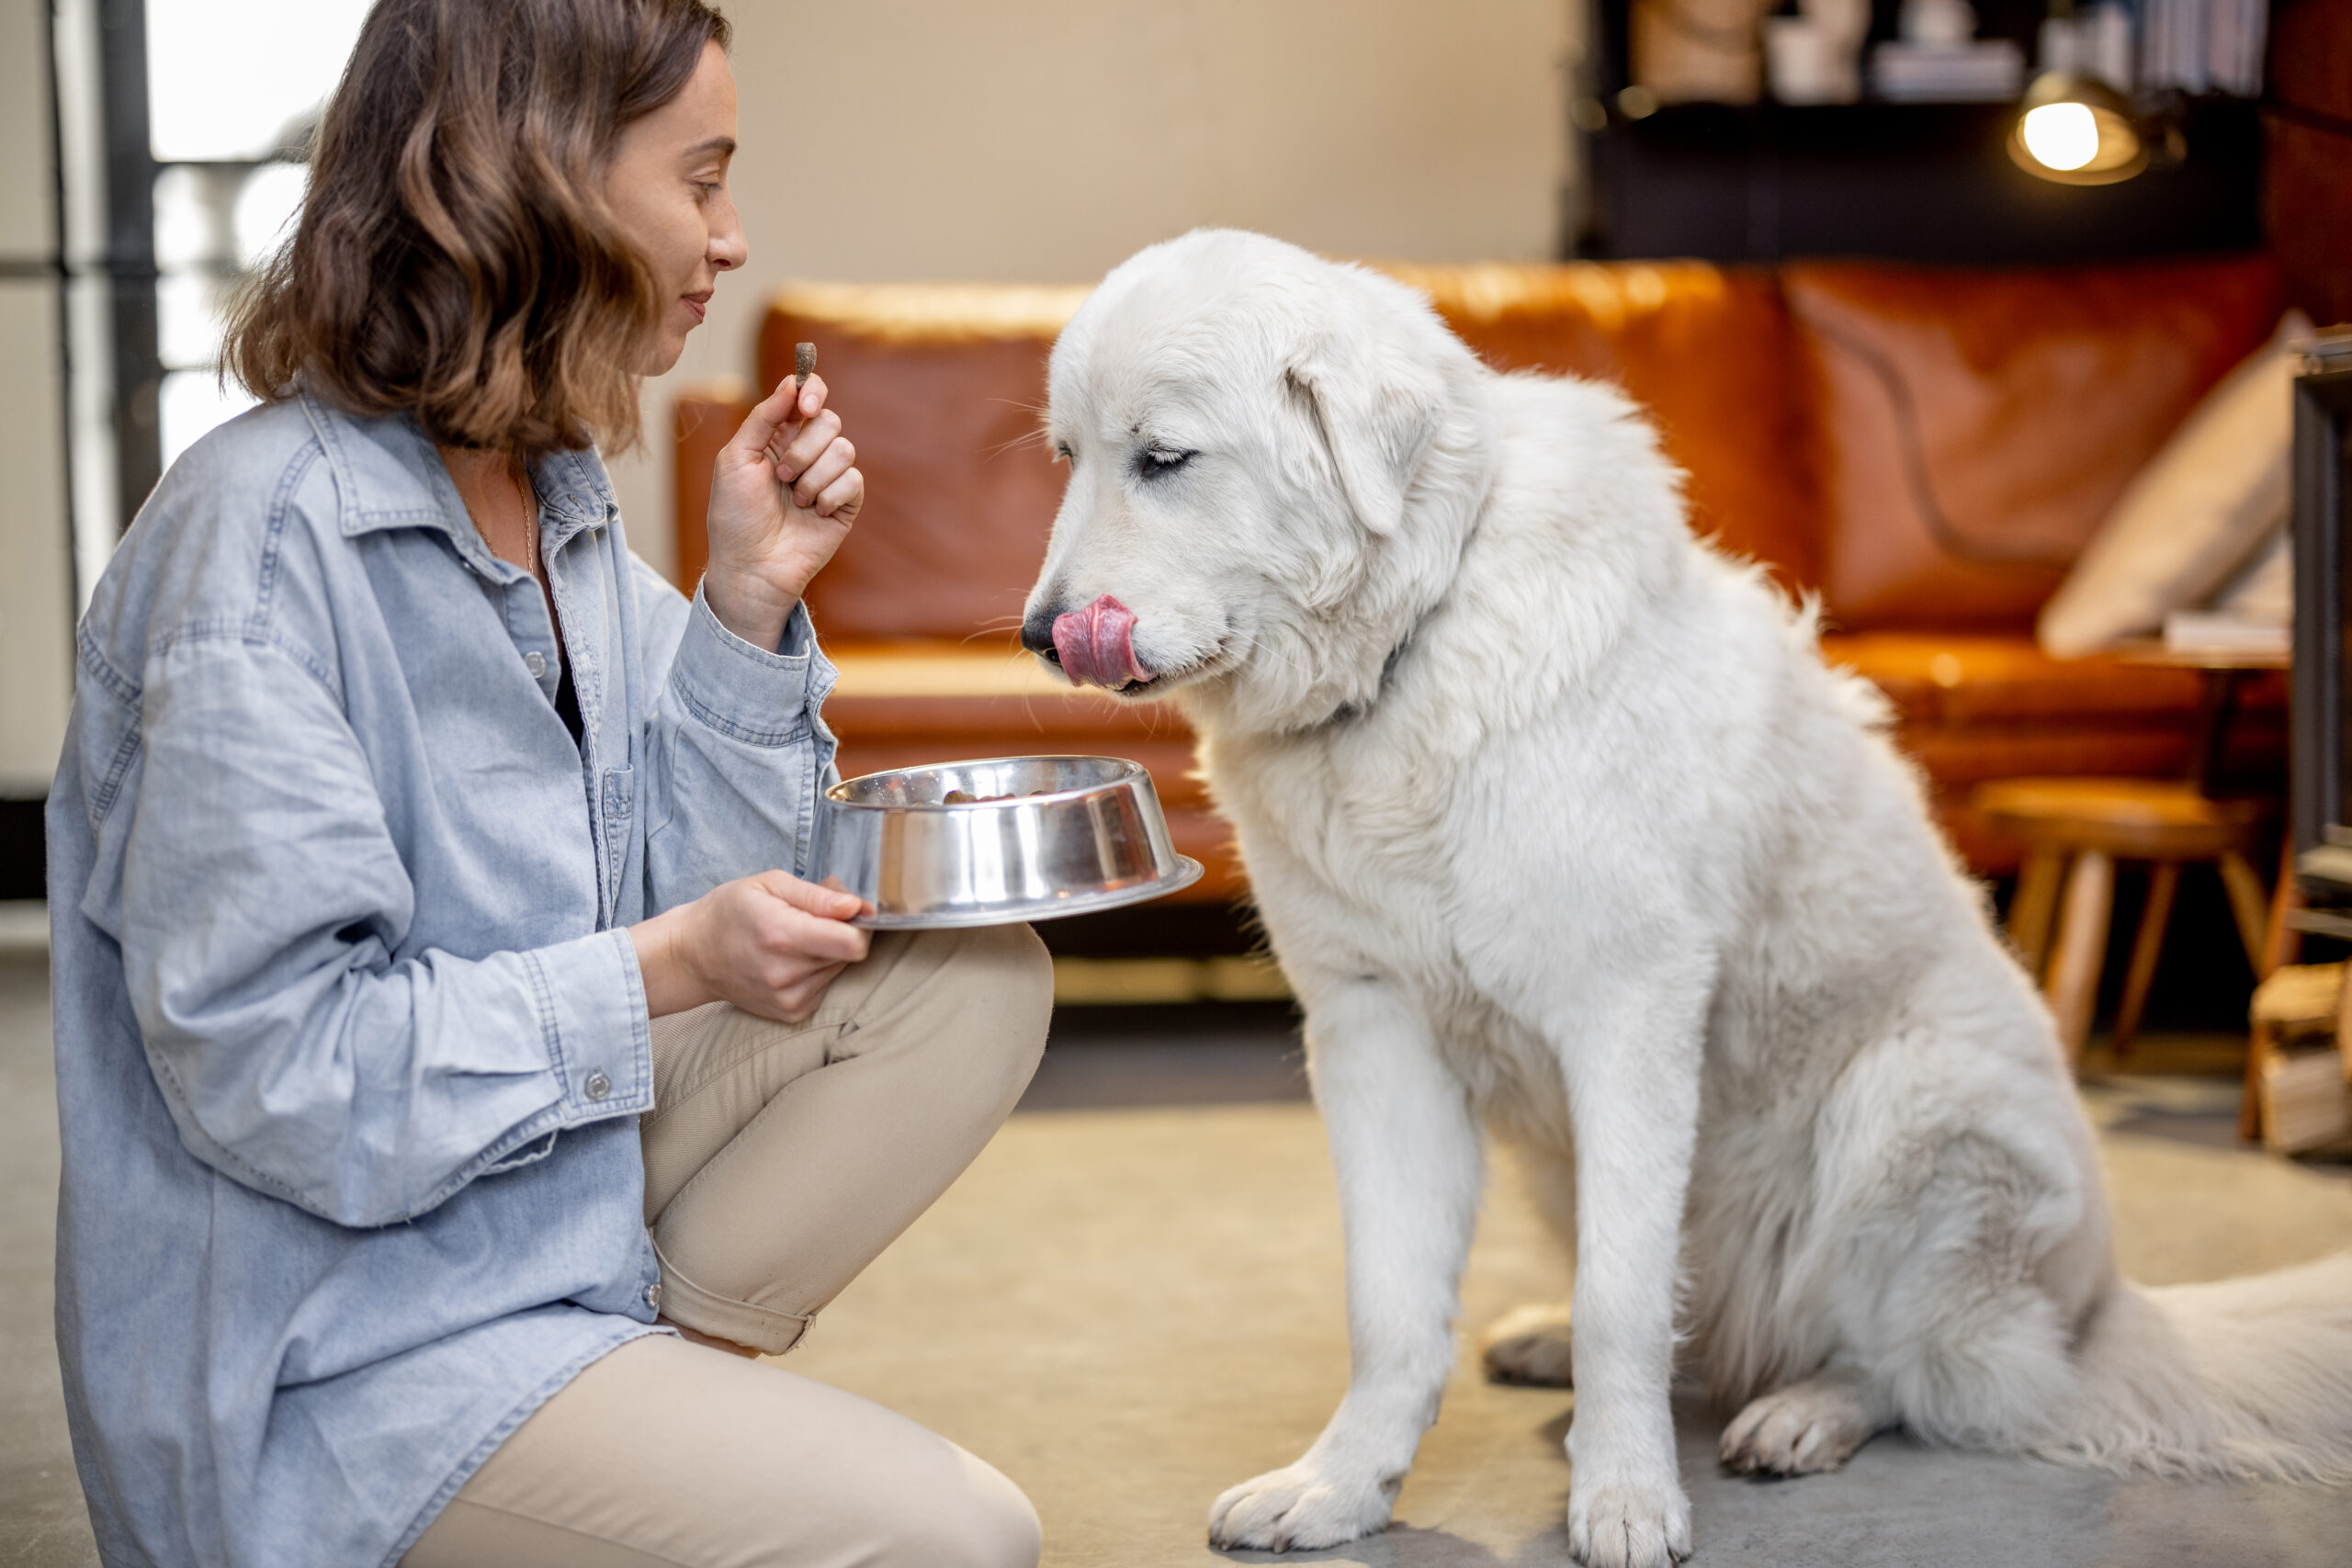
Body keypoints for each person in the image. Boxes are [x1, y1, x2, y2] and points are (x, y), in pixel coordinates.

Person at [46, 3, 1051, 1564]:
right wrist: (673, 962)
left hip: (530, 1231)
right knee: (954, 1538)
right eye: (702, 181)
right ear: (549, 184)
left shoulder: (559, 502)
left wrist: (743, 606)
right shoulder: (256, 555)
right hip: (342, 1358)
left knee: (966, 979)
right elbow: (289, 1080)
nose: (730, 238)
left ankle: (620, 1412)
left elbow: (715, 898)